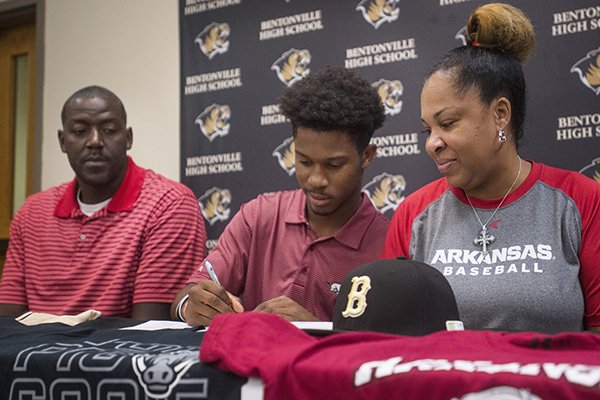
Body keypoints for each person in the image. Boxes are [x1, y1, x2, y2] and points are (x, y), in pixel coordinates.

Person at [381, 3, 600, 333]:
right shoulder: (413, 215)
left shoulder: (581, 201)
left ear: (500, 113)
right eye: (428, 129)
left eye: (448, 123)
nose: (432, 143)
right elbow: (388, 339)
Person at [172, 66, 389, 325]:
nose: (316, 180)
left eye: (334, 165)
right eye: (304, 161)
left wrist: (314, 330)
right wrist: (191, 306)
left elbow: (384, 349)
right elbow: (187, 295)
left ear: (366, 156)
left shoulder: (387, 245)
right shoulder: (258, 216)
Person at [0, 86, 207, 320]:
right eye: (80, 131)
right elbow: (8, 321)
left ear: (128, 138)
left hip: (119, 355)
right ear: (62, 141)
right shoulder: (32, 213)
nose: (95, 141)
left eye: (108, 130)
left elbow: (150, 330)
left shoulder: (169, 205)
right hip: (32, 355)